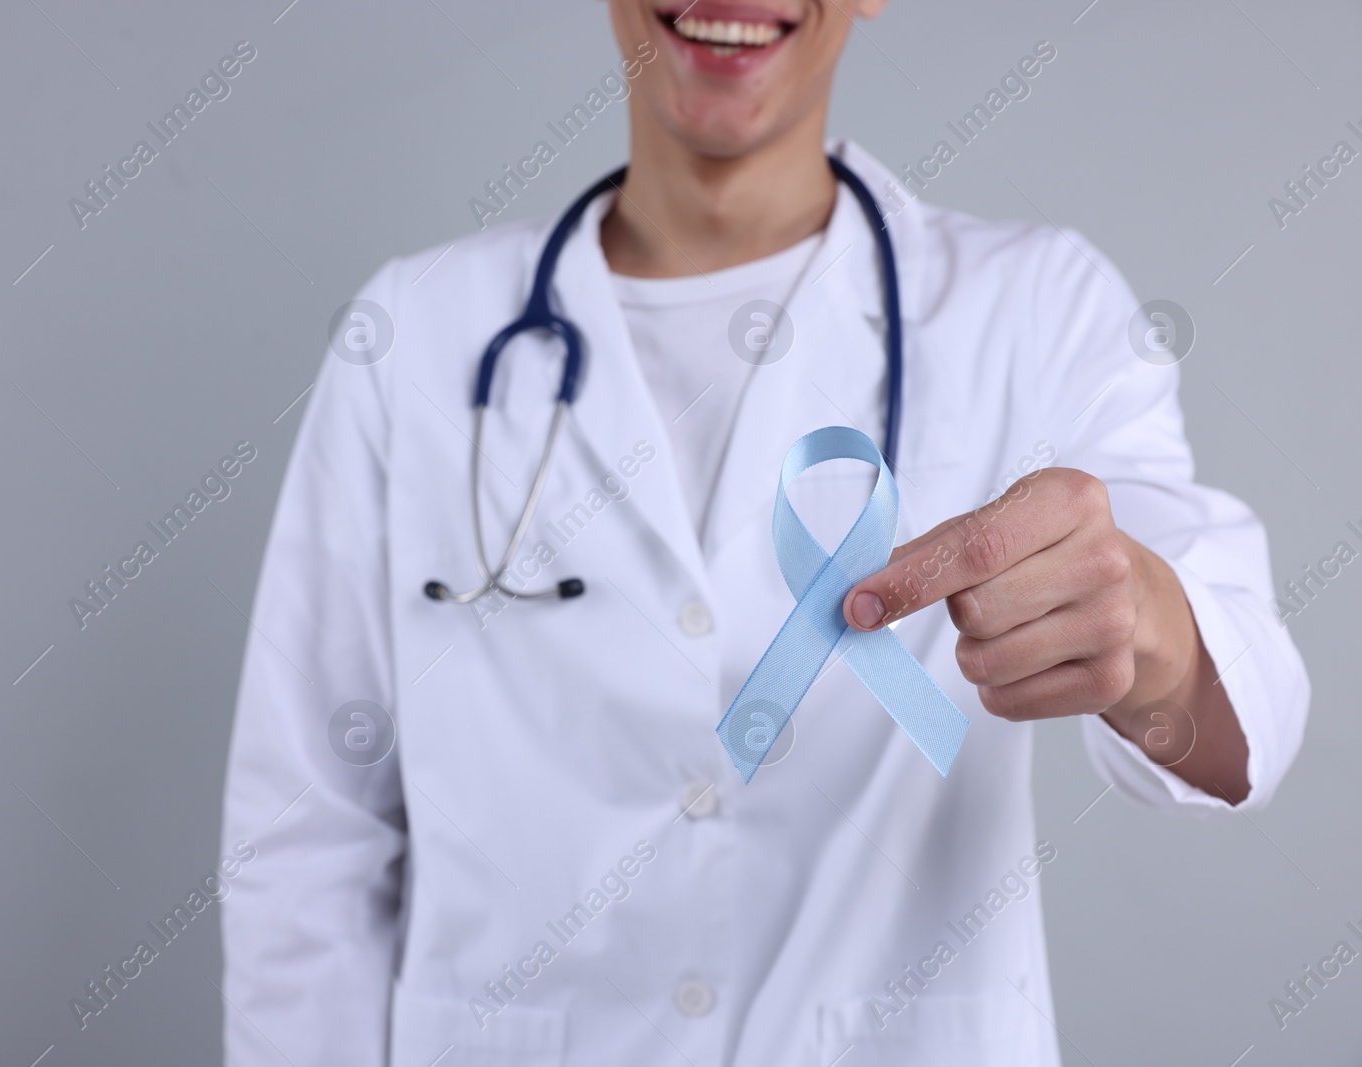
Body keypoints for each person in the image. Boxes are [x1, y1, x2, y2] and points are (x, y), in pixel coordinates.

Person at [220, 1, 1308, 1063]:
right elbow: (305, 836)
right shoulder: (414, 334)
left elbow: (1239, 723)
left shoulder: (1035, 308)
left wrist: (1153, 641)